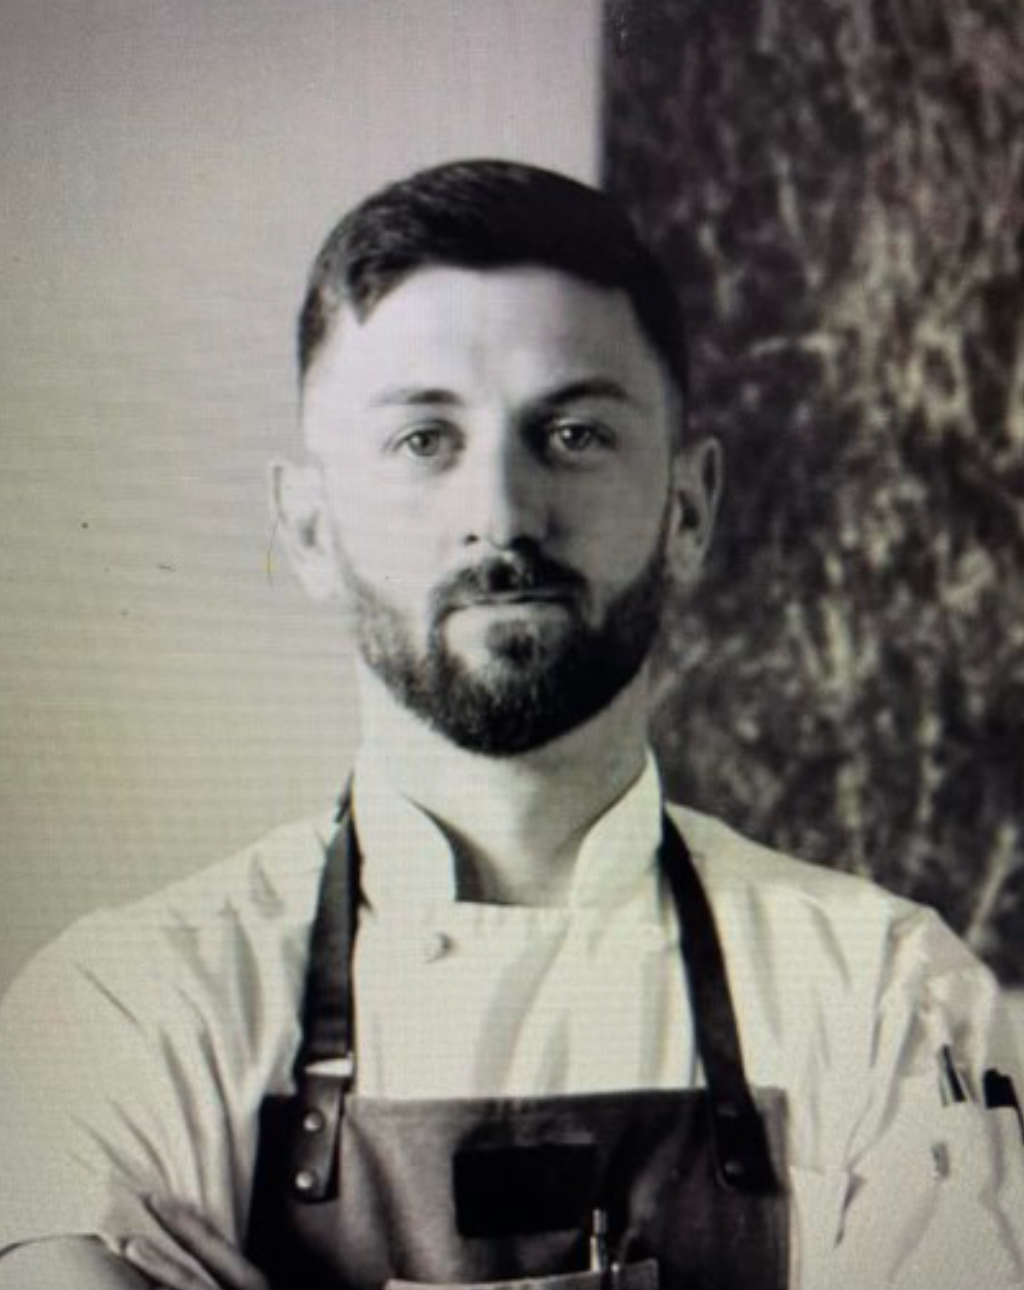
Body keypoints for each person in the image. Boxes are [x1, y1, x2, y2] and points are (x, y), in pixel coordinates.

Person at [0, 159, 1021, 1290]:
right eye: (421, 441)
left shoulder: (888, 995)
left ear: (686, 508)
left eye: (574, 433)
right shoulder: (123, 1009)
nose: (498, 511)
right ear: (306, 527)